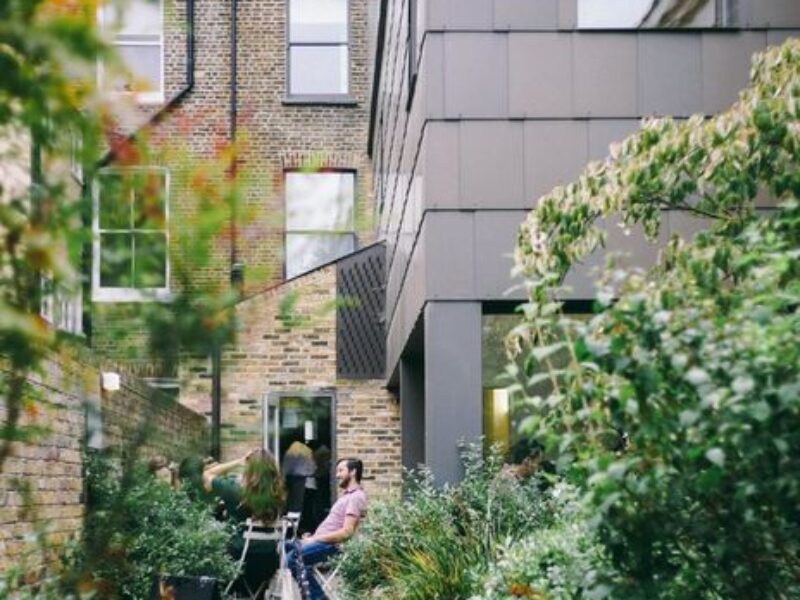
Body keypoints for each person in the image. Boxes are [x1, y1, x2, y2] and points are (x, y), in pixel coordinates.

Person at [203, 449, 286, 594]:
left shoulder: (234, 490)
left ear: (249, 468)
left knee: (206, 555)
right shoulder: (277, 495)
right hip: (269, 563)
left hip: (238, 559)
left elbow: (206, 475)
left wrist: (238, 461)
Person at [286, 457, 367, 600]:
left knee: (292, 559)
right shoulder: (345, 497)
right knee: (281, 547)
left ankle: (318, 597)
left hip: (332, 546)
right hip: (321, 542)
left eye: (341, 470)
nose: (337, 475)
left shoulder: (356, 497)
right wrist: (311, 538)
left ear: (353, 472)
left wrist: (314, 539)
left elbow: (346, 533)